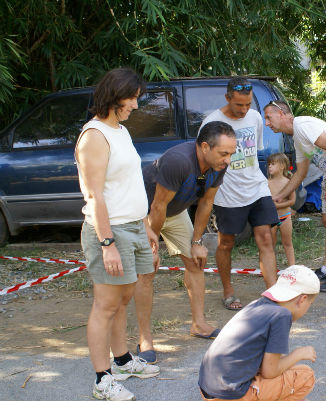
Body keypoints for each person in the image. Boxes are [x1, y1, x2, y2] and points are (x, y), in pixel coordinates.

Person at [75, 67, 160, 401]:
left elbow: (126, 185)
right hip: (111, 232)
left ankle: (123, 360)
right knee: (106, 305)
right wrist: (107, 243)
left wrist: (146, 227)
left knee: (123, 298)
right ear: (115, 95)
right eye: (133, 98)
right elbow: (94, 195)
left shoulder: (120, 131)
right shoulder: (94, 135)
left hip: (133, 227)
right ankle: (102, 379)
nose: (136, 106)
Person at [134, 121, 237, 359]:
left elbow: (206, 202)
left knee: (195, 262)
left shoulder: (218, 164)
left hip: (175, 212)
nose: (228, 160)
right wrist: (153, 246)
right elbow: (158, 206)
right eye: (224, 153)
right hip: (146, 213)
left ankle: (199, 324)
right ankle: (145, 339)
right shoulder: (179, 161)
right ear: (204, 147)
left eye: (231, 154)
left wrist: (196, 242)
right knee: (147, 270)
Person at [265, 101, 326, 292]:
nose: (267, 123)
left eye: (269, 117)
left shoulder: (302, 125)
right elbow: (300, 174)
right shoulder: (297, 138)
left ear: (282, 113)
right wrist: (279, 197)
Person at [200, 77, 279, 311]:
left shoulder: (255, 117)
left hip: (256, 187)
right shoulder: (211, 121)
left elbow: (254, 153)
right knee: (226, 244)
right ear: (227, 99)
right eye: (239, 105)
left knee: (266, 238)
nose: (244, 110)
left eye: (247, 105)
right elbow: (204, 159)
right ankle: (228, 291)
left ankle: (272, 292)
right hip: (227, 193)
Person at [198, 264, 319, 401]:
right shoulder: (282, 315)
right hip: (231, 395)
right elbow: (270, 372)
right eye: (310, 304)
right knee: (305, 375)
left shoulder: (259, 304)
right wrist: (298, 354)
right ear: (302, 300)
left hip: (209, 389)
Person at [267, 153, 296, 267]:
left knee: (288, 243)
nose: (269, 166)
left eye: (273, 164)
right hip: (271, 219)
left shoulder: (289, 182)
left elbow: (292, 201)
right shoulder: (267, 183)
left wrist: (277, 206)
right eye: (269, 164)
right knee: (270, 245)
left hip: (285, 217)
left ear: (282, 166)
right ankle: (270, 267)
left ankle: (292, 267)